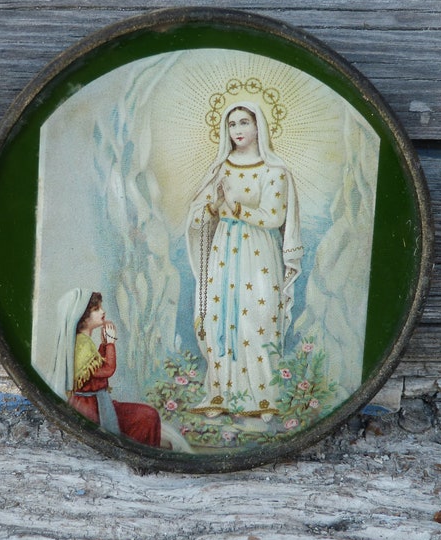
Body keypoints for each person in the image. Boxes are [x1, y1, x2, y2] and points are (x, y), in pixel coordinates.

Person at [186, 101, 303, 421]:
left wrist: (236, 208)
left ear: (258, 127)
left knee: (259, 317)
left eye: (243, 123)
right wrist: (208, 210)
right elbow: (209, 208)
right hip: (224, 249)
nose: (237, 130)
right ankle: (221, 393)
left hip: (259, 252)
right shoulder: (221, 168)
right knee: (220, 316)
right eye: (232, 124)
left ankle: (264, 398)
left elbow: (274, 217)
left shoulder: (274, 171)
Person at [54, 288, 162, 447]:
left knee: (147, 415)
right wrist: (110, 343)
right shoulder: (82, 344)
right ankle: (140, 454)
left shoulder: (83, 341)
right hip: (90, 408)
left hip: (98, 402)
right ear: (83, 317)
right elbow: (107, 370)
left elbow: (95, 367)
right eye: (96, 309)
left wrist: (104, 344)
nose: (102, 311)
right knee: (148, 416)